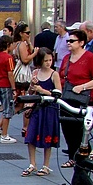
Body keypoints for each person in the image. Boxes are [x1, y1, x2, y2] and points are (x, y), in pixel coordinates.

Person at [58, 28, 93, 167]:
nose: (68, 43)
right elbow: (60, 76)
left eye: (72, 41)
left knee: (79, 129)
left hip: (81, 98)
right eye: (68, 41)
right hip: (66, 97)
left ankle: (84, 154)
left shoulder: (89, 58)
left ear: (81, 42)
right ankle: (73, 156)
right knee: (66, 127)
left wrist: (82, 87)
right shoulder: (66, 58)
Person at [22, 47, 61, 176]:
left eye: (50, 60)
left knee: (47, 137)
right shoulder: (35, 73)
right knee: (31, 135)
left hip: (49, 109)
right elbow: (30, 92)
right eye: (46, 60)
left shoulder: (54, 74)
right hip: (37, 108)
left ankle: (46, 165)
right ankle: (32, 163)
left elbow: (58, 94)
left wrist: (42, 90)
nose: (48, 63)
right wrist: (33, 86)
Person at [0, 35, 16, 143]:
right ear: (8, 45)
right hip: (5, 84)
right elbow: (10, 73)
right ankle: (4, 134)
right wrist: (14, 88)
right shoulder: (8, 58)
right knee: (8, 110)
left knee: (5, 107)